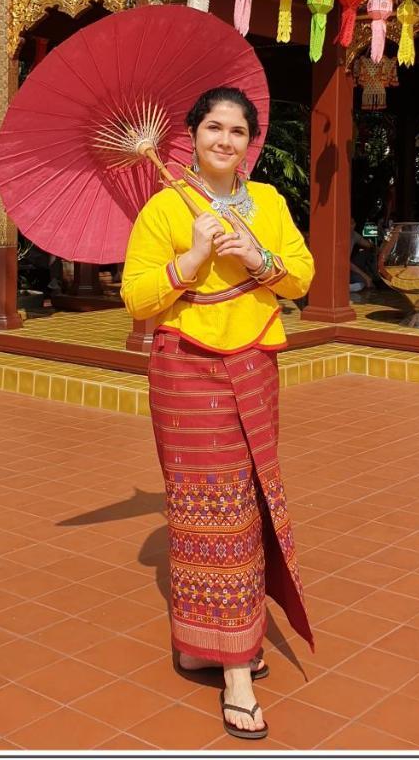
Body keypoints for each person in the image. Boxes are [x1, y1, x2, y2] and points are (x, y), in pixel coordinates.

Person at [121, 87, 314, 742]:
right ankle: (228, 661)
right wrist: (195, 258)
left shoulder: (270, 205)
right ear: (192, 136)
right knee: (200, 508)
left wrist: (259, 258)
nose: (224, 140)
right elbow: (137, 296)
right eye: (213, 127)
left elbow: (304, 276)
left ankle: (222, 643)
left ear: (249, 142)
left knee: (244, 502)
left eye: (237, 130)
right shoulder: (163, 208)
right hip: (184, 371)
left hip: (254, 364)